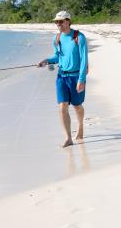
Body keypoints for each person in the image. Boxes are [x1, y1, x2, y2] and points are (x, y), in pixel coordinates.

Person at [38, 10, 88, 148]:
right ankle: (68, 138)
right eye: (56, 22)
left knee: (77, 106)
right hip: (61, 76)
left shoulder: (79, 37)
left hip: (76, 76)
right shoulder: (57, 38)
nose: (58, 24)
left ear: (68, 21)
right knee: (62, 106)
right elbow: (57, 57)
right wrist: (46, 61)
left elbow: (84, 60)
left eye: (61, 21)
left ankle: (81, 125)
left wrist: (81, 80)